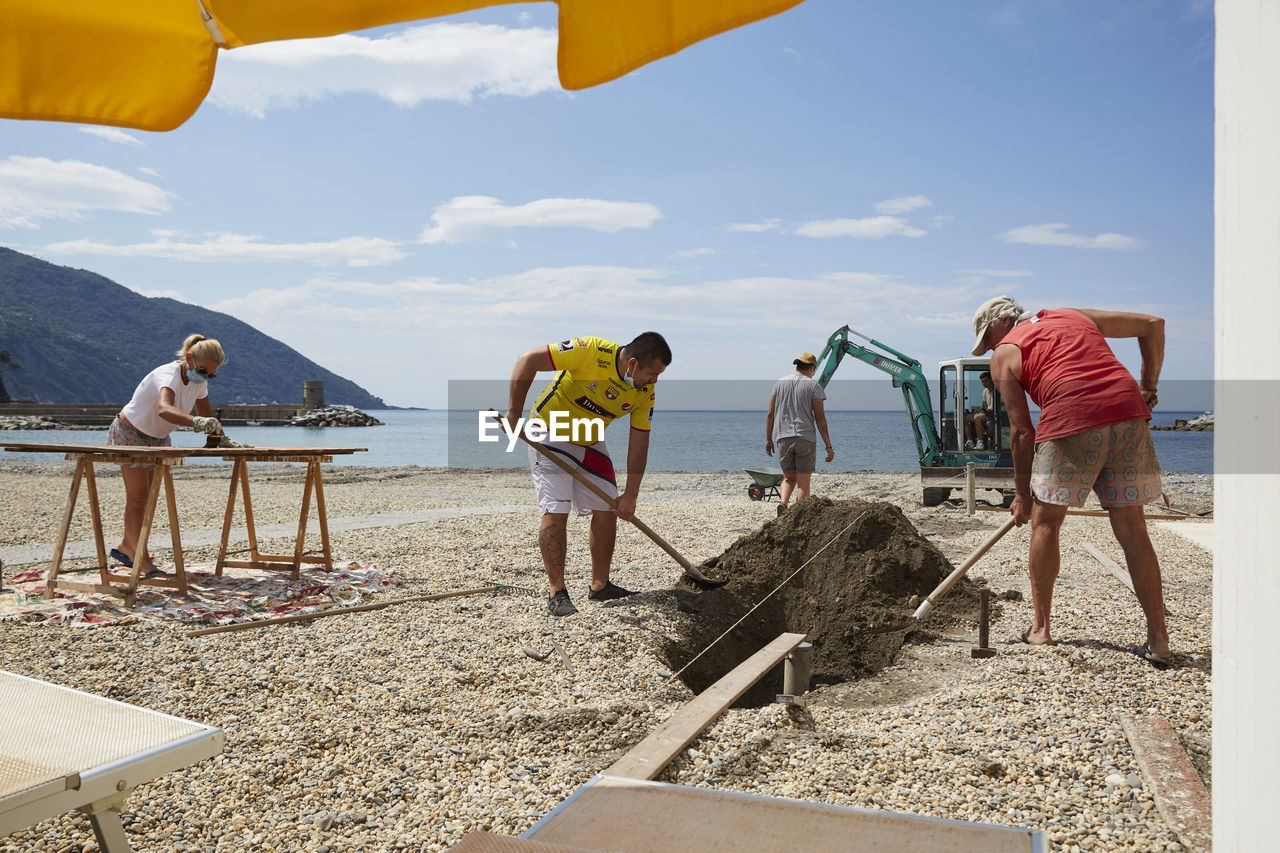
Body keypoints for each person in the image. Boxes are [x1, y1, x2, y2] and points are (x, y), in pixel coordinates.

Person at [971, 296, 1171, 666]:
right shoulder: (1071, 315)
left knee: (1047, 522)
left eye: (988, 340)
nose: (990, 350)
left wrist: (1021, 495)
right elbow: (1152, 324)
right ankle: (1159, 639)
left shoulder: (1005, 354)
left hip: (1070, 419)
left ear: (1000, 324)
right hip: (1128, 413)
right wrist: (1149, 388)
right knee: (1131, 527)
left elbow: (1020, 432)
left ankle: (1041, 629)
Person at [505, 332, 671, 616]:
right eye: (652, 373)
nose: (654, 380)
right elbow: (527, 360)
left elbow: (640, 441)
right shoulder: (591, 351)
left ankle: (600, 586)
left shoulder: (644, 392)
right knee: (556, 510)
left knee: (608, 507)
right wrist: (513, 414)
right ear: (632, 364)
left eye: (659, 375)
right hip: (547, 432)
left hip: (589, 439)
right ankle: (557, 592)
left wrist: (631, 495)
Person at [107, 334, 226, 577]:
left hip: (159, 439)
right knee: (138, 497)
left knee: (148, 500)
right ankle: (139, 556)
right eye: (203, 371)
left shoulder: (199, 381)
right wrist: (199, 422)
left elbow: (207, 415)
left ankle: (127, 547)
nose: (205, 377)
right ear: (189, 358)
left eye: (211, 375)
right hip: (131, 433)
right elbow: (165, 409)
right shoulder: (167, 375)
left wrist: (220, 438)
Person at [765, 352, 834, 512]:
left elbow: (770, 413)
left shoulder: (779, 383)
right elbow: (820, 419)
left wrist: (768, 439)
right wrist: (828, 445)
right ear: (811, 368)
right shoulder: (814, 386)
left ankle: (783, 504)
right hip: (805, 437)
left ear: (797, 366)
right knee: (804, 482)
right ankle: (798, 514)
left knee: (788, 478)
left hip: (782, 437)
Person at [965, 371, 996, 449]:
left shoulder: (996, 391)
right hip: (986, 413)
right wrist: (980, 411)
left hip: (994, 414)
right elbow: (985, 405)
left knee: (977, 418)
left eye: (986, 381)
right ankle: (970, 441)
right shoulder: (984, 391)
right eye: (982, 381)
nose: (984, 383)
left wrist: (983, 412)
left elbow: (995, 407)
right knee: (965, 418)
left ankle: (980, 443)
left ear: (991, 380)